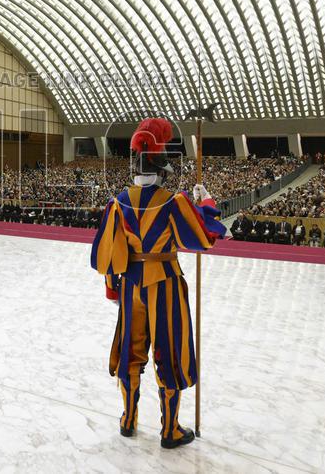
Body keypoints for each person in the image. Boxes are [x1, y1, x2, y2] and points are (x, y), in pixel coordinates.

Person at [90, 117, 225, 450]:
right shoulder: (172, 200)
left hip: (130, 285)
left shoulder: (118, 201)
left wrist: (113, 287)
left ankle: (128, 420)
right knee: (169, 351)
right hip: (164, 283)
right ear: (161, 165)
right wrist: (205, 203)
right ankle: (170, 430)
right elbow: (201, 240)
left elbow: (109, 250)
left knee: (130, 352)